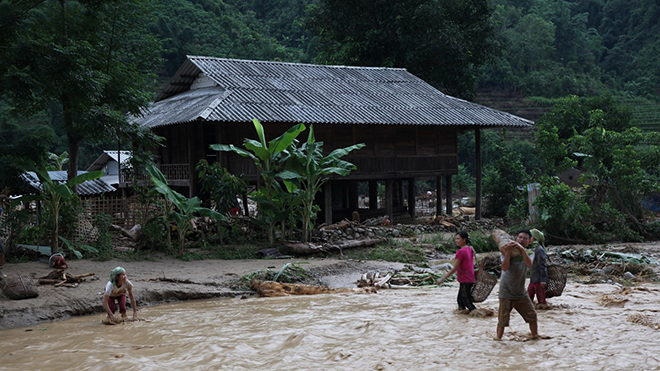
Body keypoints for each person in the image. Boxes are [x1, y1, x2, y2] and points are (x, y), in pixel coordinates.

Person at [495, 230, 538, 340]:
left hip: (520, 292)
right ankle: (498, 340)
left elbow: (529, 264)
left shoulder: (529, 253)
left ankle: (535, 337)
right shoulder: (505, 252)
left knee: (532, 315)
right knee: (502, 320)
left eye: (525, 238)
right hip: (506, 291)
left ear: (529, 241)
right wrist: (508, 252)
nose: (522, 240)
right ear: (516, 239)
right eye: (520, 237)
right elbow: (504, 267)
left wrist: (522, 250)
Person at [436, 231, 476, 312]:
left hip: (465, 279)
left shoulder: (460, 252)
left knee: (467, 303)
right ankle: (464, 320)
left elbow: (454, 268)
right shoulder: (469, 249)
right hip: (470, 278)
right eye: (456, 239)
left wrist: (442, 279)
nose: (456, 241)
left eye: (458, 239)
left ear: (464, 240)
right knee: (460, 302)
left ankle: (479, 316)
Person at [528, 228, 548, 308]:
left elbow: (542, 266)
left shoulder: (539, 250)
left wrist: (543, 280)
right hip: (533, 280)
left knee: (542, 304)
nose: (528, 238)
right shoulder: (533, 248)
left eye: (530, 237)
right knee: (527, 301)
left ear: (534, 238)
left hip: (539, 281)